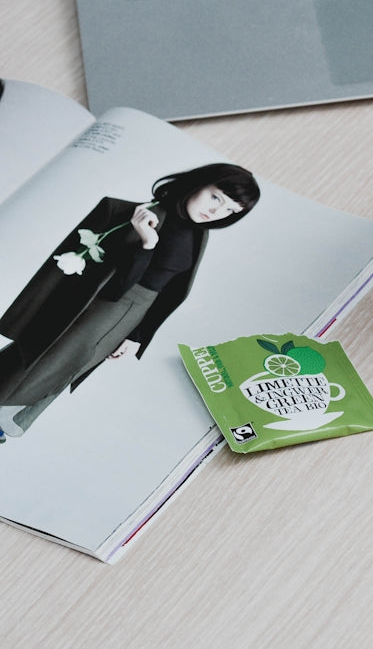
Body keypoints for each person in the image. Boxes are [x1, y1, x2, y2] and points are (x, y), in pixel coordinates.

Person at [0, 163, 260, 442]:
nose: (216, 212)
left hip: (131, 317)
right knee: (43, 362)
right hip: (94, 309)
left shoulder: (199, 236)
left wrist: (136, 336)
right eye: (216, 197)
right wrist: (147, 244)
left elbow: (168, 293)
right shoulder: (124, 214)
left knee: (65, 371)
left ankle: (8, 422)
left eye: (230, 210)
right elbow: (114, 288)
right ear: (198, 182)